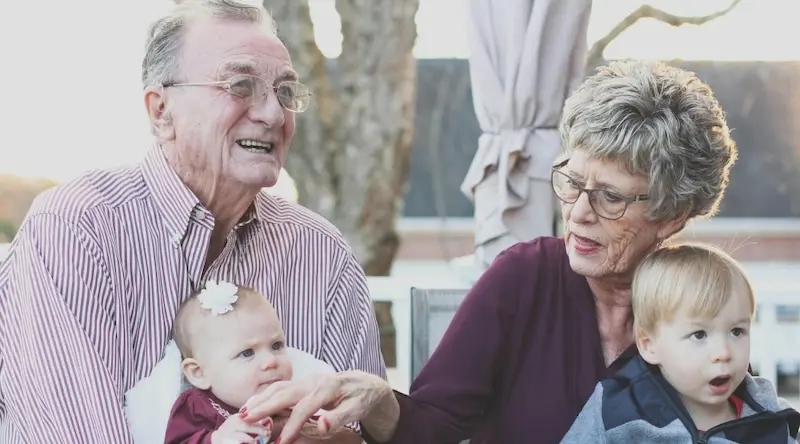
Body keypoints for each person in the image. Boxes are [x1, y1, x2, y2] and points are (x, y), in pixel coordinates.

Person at [236, 60, 741, 444]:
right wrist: (377, 399)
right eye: (571, 180)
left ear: (672, 215)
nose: (579, 212)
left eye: (610, 196)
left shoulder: (702, 301)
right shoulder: (525, 278)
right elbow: (430, 427)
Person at [0, 1, 384, 442]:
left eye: (284, 92)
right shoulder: (77, 230)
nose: (274, 115)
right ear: (161, 111)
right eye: (240, 85)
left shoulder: (322, 252)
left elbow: (362, 432)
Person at [560, 243, 800, 443]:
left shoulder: (770, 416)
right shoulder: (618, 411)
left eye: (736, 331)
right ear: (648, 345)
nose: (723, 353)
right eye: (699, 335)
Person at [164, 281, 361, 444]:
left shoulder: (293, 402)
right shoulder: (198, 406)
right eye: (247, 353)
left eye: (276, 346)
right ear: (199, 373)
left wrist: (321, 434)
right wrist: (215, 439)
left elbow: (347, 438)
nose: (270, 361)